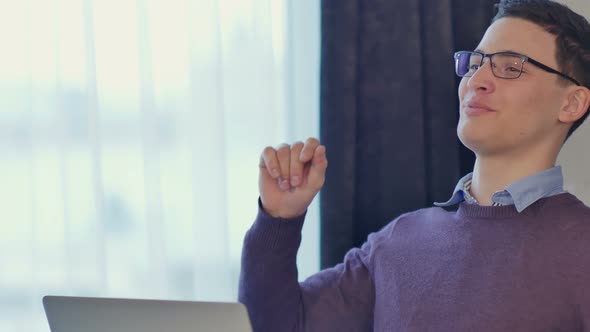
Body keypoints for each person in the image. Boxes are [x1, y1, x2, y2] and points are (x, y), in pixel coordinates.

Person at [239, 0, 590, 330]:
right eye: (475, 63)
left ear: (571, 103)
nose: (475, 81)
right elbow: (270, 325)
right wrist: (279, 219)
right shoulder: (396, 243)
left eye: (511, 67)